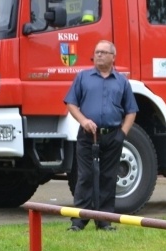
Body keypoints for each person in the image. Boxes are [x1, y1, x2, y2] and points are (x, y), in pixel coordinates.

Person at [64, 40, 138, 231]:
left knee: (108, 177)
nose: (99, 55)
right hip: (88, 136)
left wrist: (122, 133)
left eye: (104, 52)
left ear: (113, 57)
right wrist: (83, 121)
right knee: (85, 176)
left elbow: (131, 111)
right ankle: (78, 221)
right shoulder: (83, 77)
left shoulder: (122, 82)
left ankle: (104, 221)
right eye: (97, 52)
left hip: (112, 135)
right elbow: (71, 103)